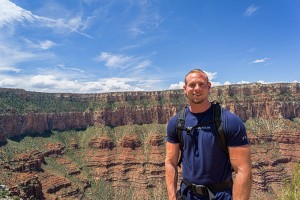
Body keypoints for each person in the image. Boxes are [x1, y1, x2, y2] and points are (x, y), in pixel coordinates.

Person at [165, 69, 252, 200]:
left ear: (209, 86)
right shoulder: (176, 123)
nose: (197, 89)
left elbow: (243, 170)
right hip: (188, 195)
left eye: (201, 84)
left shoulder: (230, 121)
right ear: (184, 89)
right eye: (192, 85)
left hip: (221, 196)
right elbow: (170, 162)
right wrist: (172, 197)